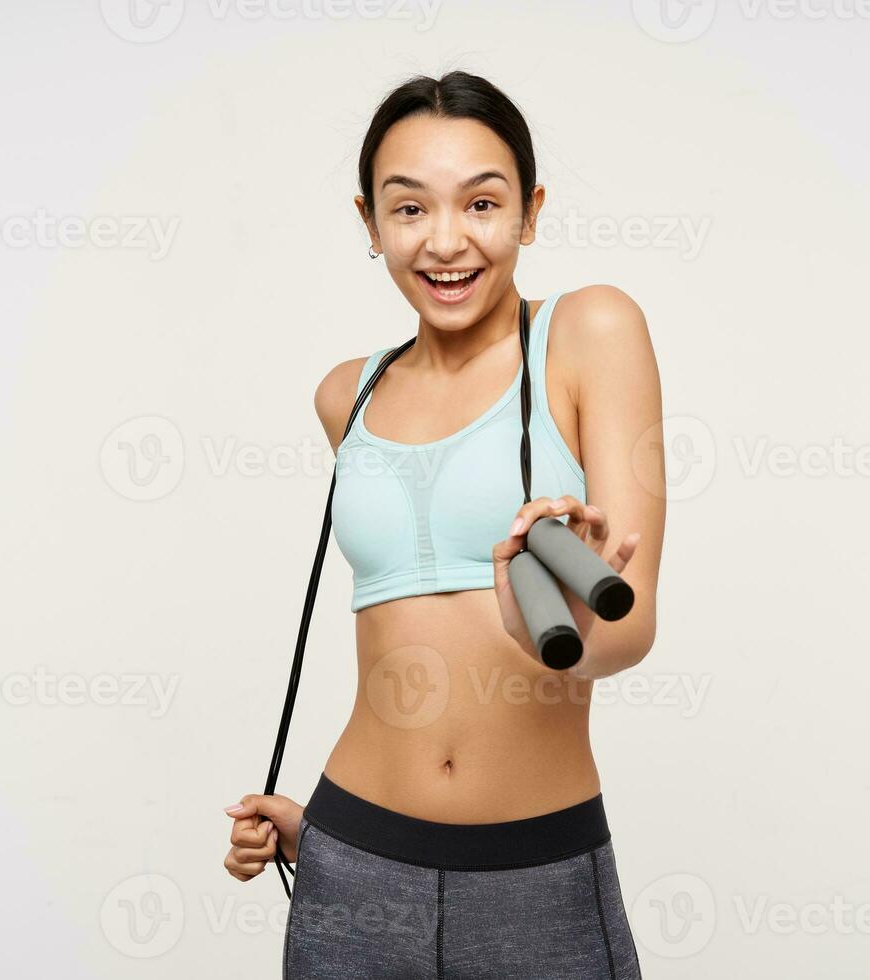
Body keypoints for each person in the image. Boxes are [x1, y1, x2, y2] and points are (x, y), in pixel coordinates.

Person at [224, 70, 665, 979]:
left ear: (530, 213)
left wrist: (552, 625)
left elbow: (631, 631)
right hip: (353, 860)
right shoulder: (349, 393)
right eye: (410, 208)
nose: (448, 240)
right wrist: (331, 836)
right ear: (371, 224)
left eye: (482, 203)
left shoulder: (590, 333)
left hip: (537, 878)